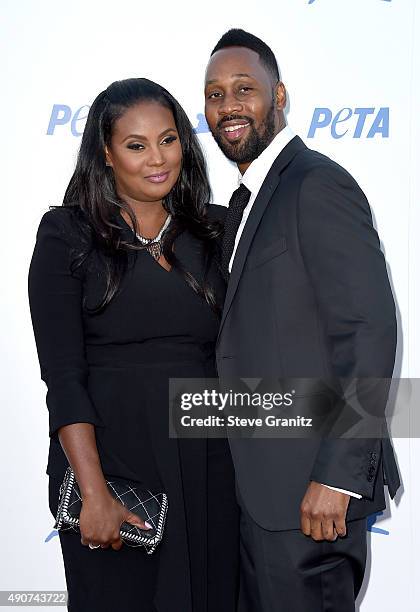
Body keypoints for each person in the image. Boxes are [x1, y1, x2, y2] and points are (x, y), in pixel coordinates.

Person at [204, 29, 401, 612]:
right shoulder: (244, 205)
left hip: (311, 498)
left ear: (280, 96)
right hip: (256, 496)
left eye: (245, 89)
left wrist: (338, 477)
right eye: (214, 95)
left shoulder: (316, 185)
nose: (228, 106)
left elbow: (368, 333)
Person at [28, 77, 239, 612]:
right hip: (114, 466)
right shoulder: (66, 234)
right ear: (106, 151)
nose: (157, 159)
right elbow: (63, 377)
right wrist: (92, 488)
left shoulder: (215, 229)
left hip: (208, 461)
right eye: (136, 145)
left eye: (168, 140)